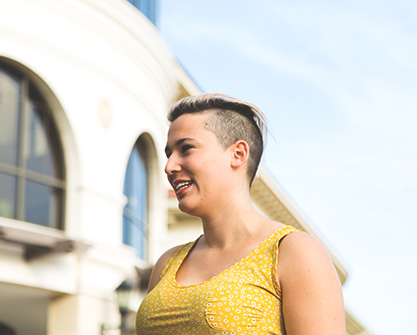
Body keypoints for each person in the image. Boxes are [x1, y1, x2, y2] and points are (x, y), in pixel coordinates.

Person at [136, 93, 345, 335]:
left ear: (238, 154)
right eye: (169, 154)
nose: (169, 166)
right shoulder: (167, 263)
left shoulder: (294, 252)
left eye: (186, 148)